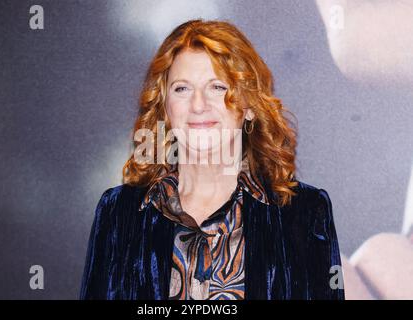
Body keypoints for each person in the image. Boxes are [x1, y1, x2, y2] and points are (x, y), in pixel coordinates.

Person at [79, 19, 345, 300]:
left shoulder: (303, 214)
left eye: (218, 87)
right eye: (182, 88)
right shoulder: (120, 213)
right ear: (164, 108)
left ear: (249, 107)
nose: (198, 104)